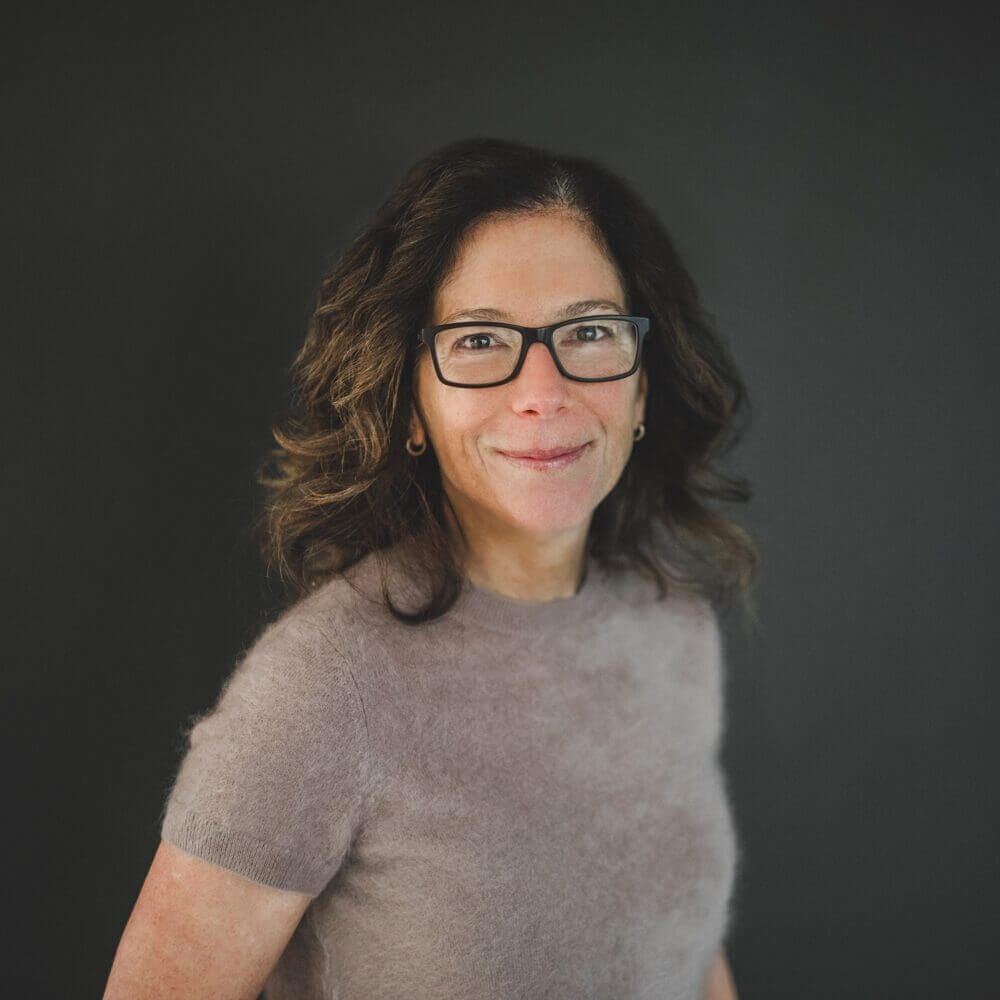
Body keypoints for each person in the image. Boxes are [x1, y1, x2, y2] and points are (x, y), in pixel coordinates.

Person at [103, 136, 758, 999]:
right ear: (410, 403)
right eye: (480, 339)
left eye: (590, 331)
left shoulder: (672, 628)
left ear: (642, 387)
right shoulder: (325, 685)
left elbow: (685, 949)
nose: (543, 393)